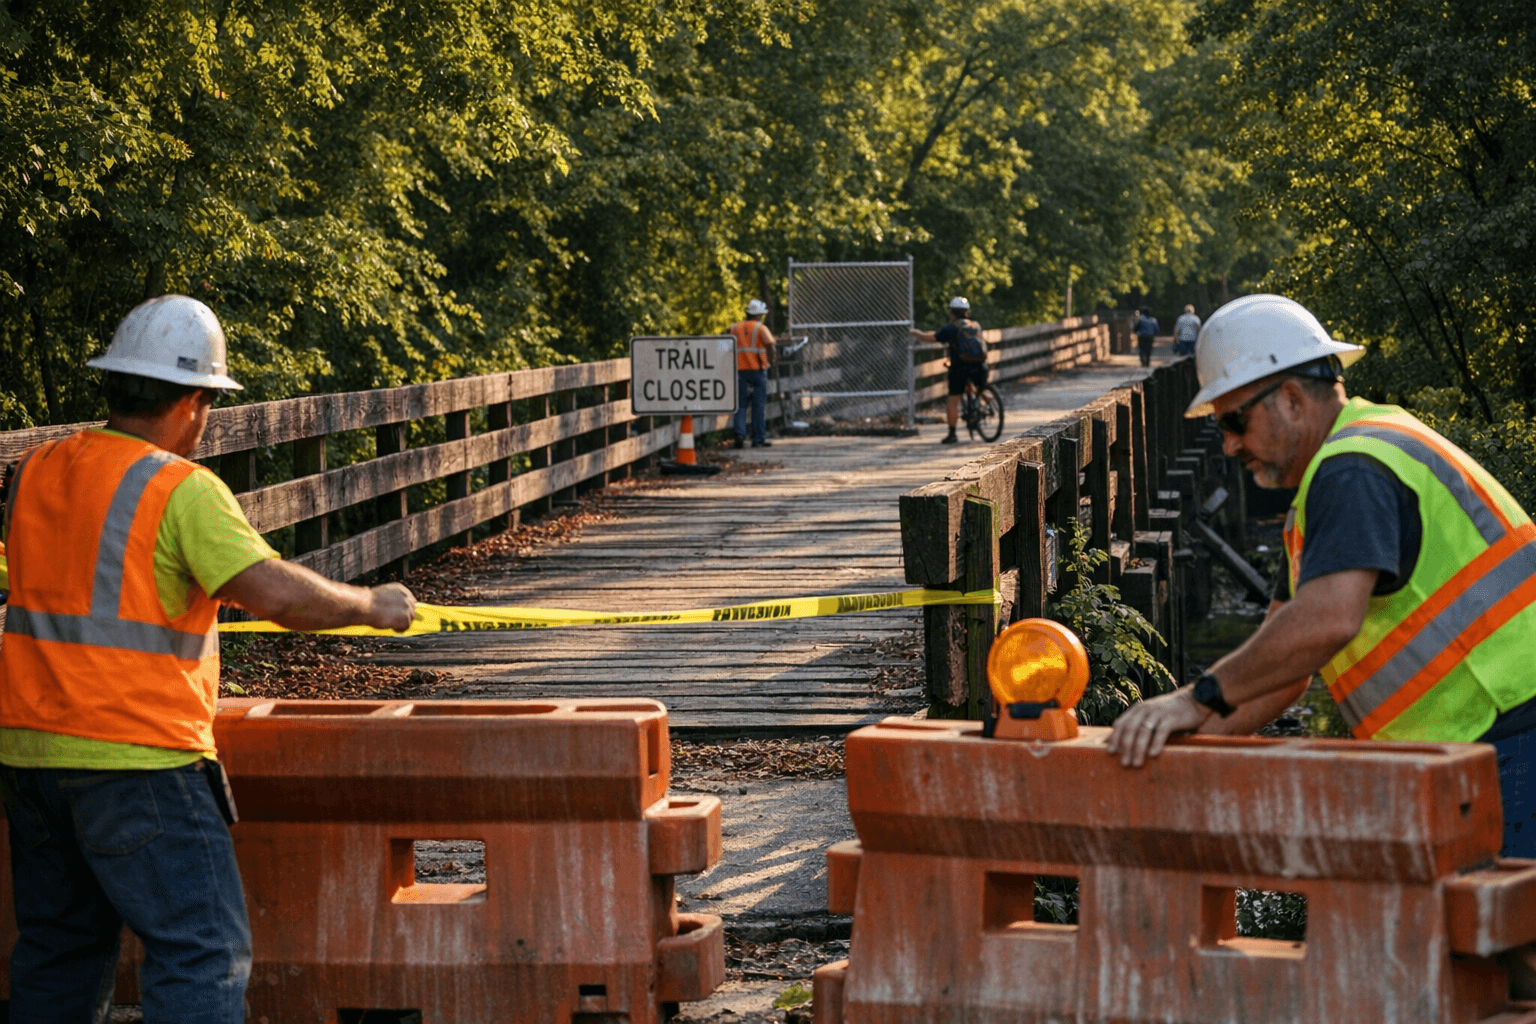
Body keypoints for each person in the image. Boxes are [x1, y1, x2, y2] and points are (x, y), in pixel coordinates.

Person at [0, 295, 417, 1022]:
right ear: (194, 401)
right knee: (200, 952)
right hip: (137, 762)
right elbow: (274, 594)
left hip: (28, 757)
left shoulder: (36, 470)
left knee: (59, 953)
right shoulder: (181, 489)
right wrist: (371, 608)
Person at [911, 296, 987, 444]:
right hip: (980, 366)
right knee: (976, 386)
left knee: (953, 400)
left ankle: (952, 434)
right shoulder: (975, 325)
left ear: (952, 313)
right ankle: (984, 403)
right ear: (966, 312)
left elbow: (930, 338)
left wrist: (915, 333)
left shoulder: (950, 328)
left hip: (960, 368)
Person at [730, 299, 776, 449]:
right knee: (758, 405)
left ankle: (739, 435)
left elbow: (724, 344)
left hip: (739, 371)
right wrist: (772, 360)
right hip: (757, 371)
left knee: (740, 405)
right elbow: (770, 344)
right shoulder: (761, 328)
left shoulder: (734, 328)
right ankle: (757, 439)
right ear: (759, 314)